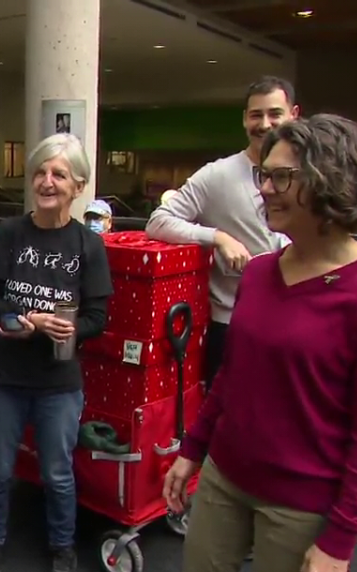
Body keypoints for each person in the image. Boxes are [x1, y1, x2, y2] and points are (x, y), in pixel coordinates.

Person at [162, 115, 357, 572]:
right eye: (263, 177)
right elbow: (232, 377)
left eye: (280, 177)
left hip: (301, 500)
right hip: (228, 473)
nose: (264, 190)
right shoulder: (261, 271)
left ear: (330, 179)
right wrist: (191, 450)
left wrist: (341, 539)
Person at [0, 133, 114, 572]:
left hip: (58, 382)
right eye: (40, 172)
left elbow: (97, 317)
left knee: (57, 472)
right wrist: (22, 318)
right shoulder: (11, 233)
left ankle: (62, 547)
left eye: (58, 174)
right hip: (2, 377)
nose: (46, 181)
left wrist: (69, 330)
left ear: (78, 186)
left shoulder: (87, 245)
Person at [145, 76, 297, 388]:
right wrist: (217, 237)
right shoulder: (218, 175)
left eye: (274, 114)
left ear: (294, 114)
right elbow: (159, 221)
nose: (265, 124)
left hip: (294, 322)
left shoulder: (310, 176)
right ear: (244, 119)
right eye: (256, 115)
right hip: (232, 326)